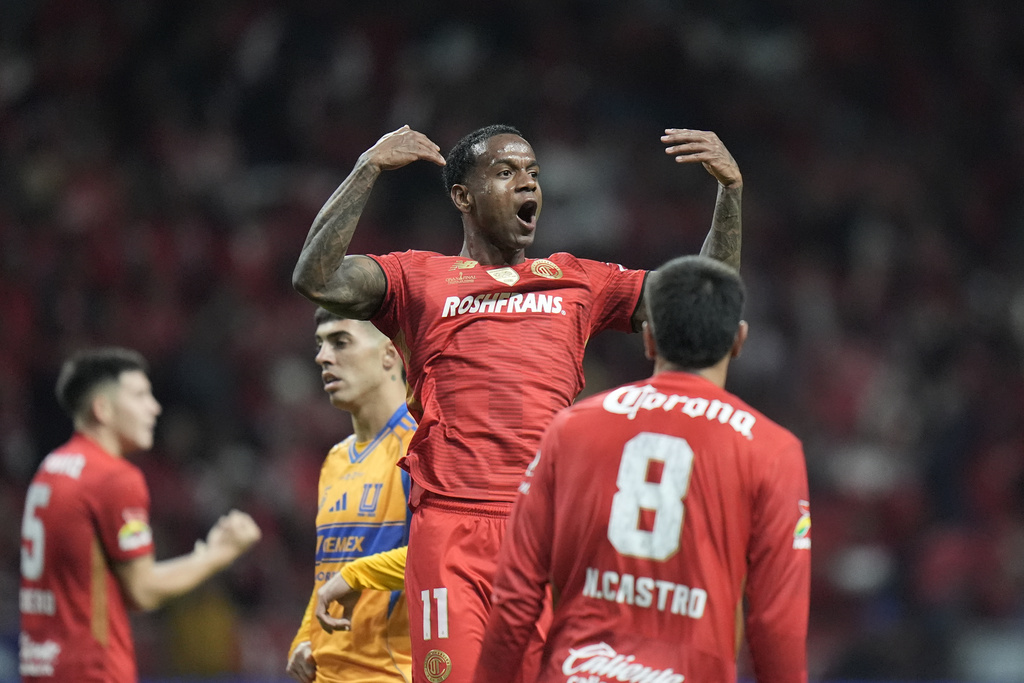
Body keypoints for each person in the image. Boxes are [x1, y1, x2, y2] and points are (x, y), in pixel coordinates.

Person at [292, 123, 743, 683]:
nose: (527, 183)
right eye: (505, 172)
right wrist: (368, 168)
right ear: (463, 197)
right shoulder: (417, 278)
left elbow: (702, 305)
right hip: (452, 530)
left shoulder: (579, 281)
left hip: (548, 531)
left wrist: (730, 194)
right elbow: (315, 278)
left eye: (533, 173)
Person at [473, 255, 810, 683]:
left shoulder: (571, 428)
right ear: (738, 341)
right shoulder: (773, 450)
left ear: (649, 339)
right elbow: (775, 624)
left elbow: (515, 596)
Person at [18, 347, 261, 682]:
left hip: (42, 666)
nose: (154, 407)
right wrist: (219, 553)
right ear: (102, 409)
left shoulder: (51, 468)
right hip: (93, 670)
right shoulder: (114, 478)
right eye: (139, 397)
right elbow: (143, 591)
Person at [286, 308, 416, 683]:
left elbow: (442, 555)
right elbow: (330, 570)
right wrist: (305, 638)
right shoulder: (335, 459)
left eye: (340, 342)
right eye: (320, 345)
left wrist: (356, 575)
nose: (322, 357)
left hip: (390, 673)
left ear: (389, 354)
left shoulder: (421, 446)